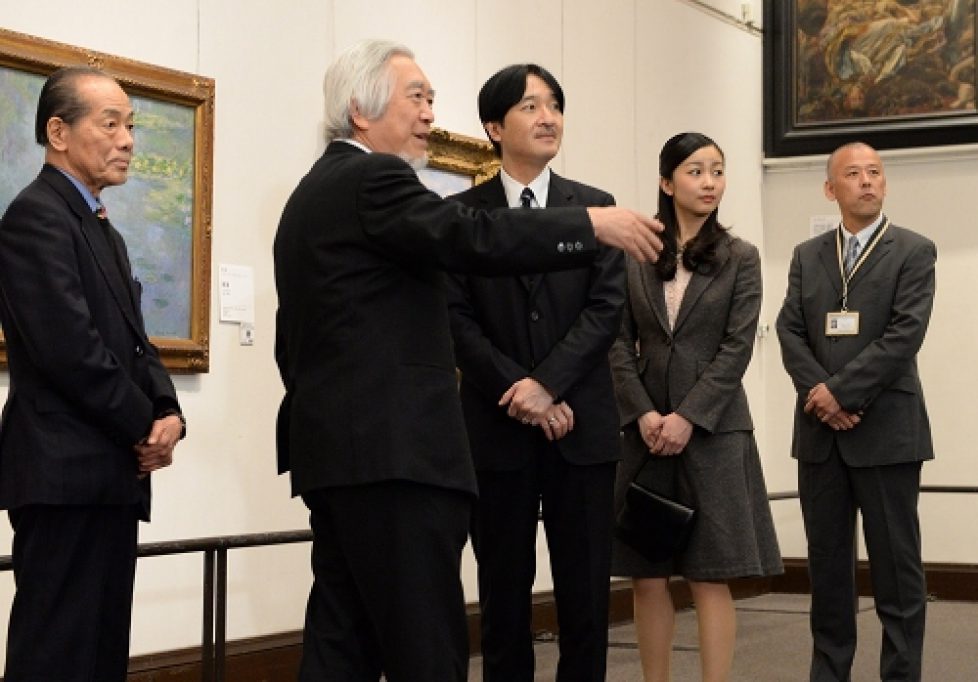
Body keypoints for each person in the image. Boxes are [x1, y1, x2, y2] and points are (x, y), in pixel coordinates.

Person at [273, 40, 663, 682]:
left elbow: (297, 341)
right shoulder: (374, 177)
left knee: (341, 642)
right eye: (417, 96)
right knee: (425, 644)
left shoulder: (312, 190)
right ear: (359, 111)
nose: (430, 112)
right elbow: (471, 236)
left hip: (339, 452)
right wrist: (589, 225)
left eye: (431, 98)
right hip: (396, 457)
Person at [0, 66, 185, 681]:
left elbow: (134, 344)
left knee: (102, 653)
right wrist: (143, 425)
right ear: (58, 131)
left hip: (108, 476)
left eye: (130, 125)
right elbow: (69, 352)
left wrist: (168, 411)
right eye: (110, 123)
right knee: (56, 655)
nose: (128, 138)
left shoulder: (103, 229)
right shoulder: (35, 217)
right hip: (63, 477)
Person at [444, 63, 623, 682]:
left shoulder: (597, 209)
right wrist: (520, 392)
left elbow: (606, 311)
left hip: (584, 428)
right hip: (495, 431)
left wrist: (549, 385)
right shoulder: (462, 216)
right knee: (502, 597)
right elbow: (455, 319)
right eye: (529, 107)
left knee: (585, 600)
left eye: (554, 105)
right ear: (494, 126)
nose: (547, 117)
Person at [610, 132, 782, 682]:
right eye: (695, 171)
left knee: (711, 575)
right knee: (648, 574)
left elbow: (736, 348)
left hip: (714, 432)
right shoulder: (634, 252)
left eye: (717, 171)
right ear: (667, 182)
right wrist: (643, 413)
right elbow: (616, 343)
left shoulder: (741, 258)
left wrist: (687, 416)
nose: (710, 182)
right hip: (646, 432)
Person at [776, 141, 936, 682]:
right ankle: (829, 672)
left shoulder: (914, 250)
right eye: (853, 173)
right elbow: (789, 330)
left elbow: (904, 335)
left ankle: (901, 674)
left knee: (898, 572)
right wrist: (822, 395)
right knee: (827, 570)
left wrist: (839, 393)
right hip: (821, 437)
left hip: (887, 432)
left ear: (884, 183)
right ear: (830, 188)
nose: (866, 181)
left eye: (875, 172)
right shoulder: (806, 253)